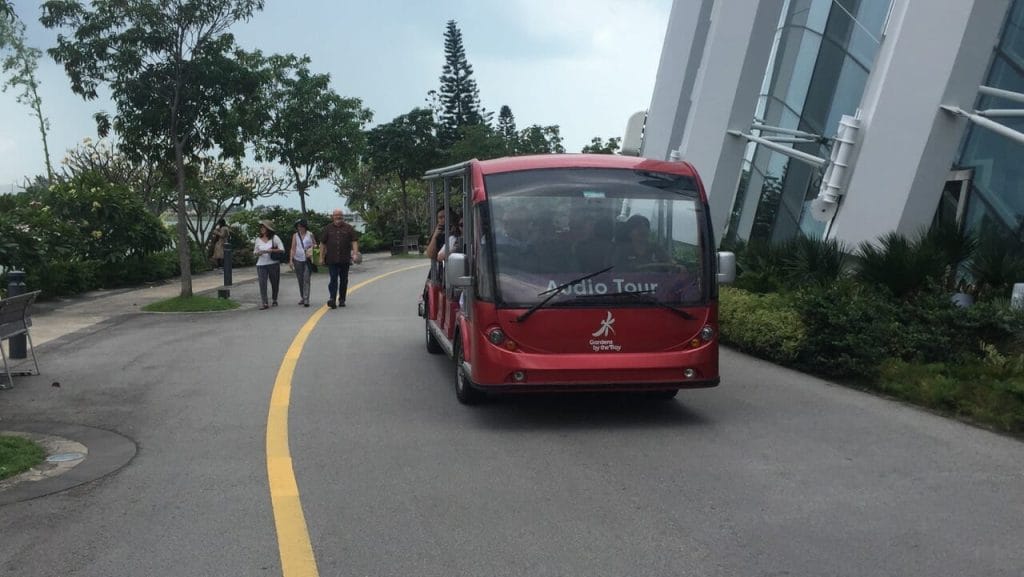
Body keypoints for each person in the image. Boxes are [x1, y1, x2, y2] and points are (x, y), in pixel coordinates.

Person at [319, 208, 360, 309]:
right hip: (332, 259)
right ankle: (332, 298)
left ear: (343, 217)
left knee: (344, 280)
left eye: (340, 215)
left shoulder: (348, 228)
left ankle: (342, 299)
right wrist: (321, 257)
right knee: (333, 279)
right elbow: (322, 243)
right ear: (333, 217)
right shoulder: (328, 228)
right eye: (336, 215)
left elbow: (354, 241)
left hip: (344, 259)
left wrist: (355, 254)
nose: (338, 217)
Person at [253, 220, 285, 310]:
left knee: (275, 283)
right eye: (261, 227)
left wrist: (271, 250)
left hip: (273, 264)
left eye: (264, 227)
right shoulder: (258, 240)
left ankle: (274, 299)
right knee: (262, 284)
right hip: (261, 264)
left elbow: (282, 249)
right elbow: (255, 252)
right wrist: (258, 253)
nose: (262, 229)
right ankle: (265, 302)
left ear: (268, 229)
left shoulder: (275, 238)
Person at [290, 219, 316, 308]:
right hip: (297, 259)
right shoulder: (295, 235)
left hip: (307, 260)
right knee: (300, 279)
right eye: (298, 227)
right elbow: (293, 248)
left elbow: (315, 245)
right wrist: (291, 260)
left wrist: (310, 248)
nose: (300, 228)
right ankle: (302, 296)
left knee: (306, 279)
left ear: (305, 227)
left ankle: (306, 299)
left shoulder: (310, 234)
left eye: (301, 226)